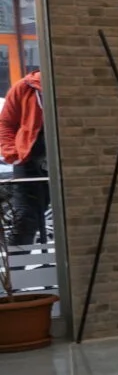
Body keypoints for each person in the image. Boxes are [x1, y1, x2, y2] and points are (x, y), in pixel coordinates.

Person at [0, 67, 49, 247]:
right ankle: (15, 264)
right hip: (28, 161)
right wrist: (13, 154)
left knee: (72, 216)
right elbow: (6, 123)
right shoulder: (25, 87)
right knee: (24, 219)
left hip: (66, 162)